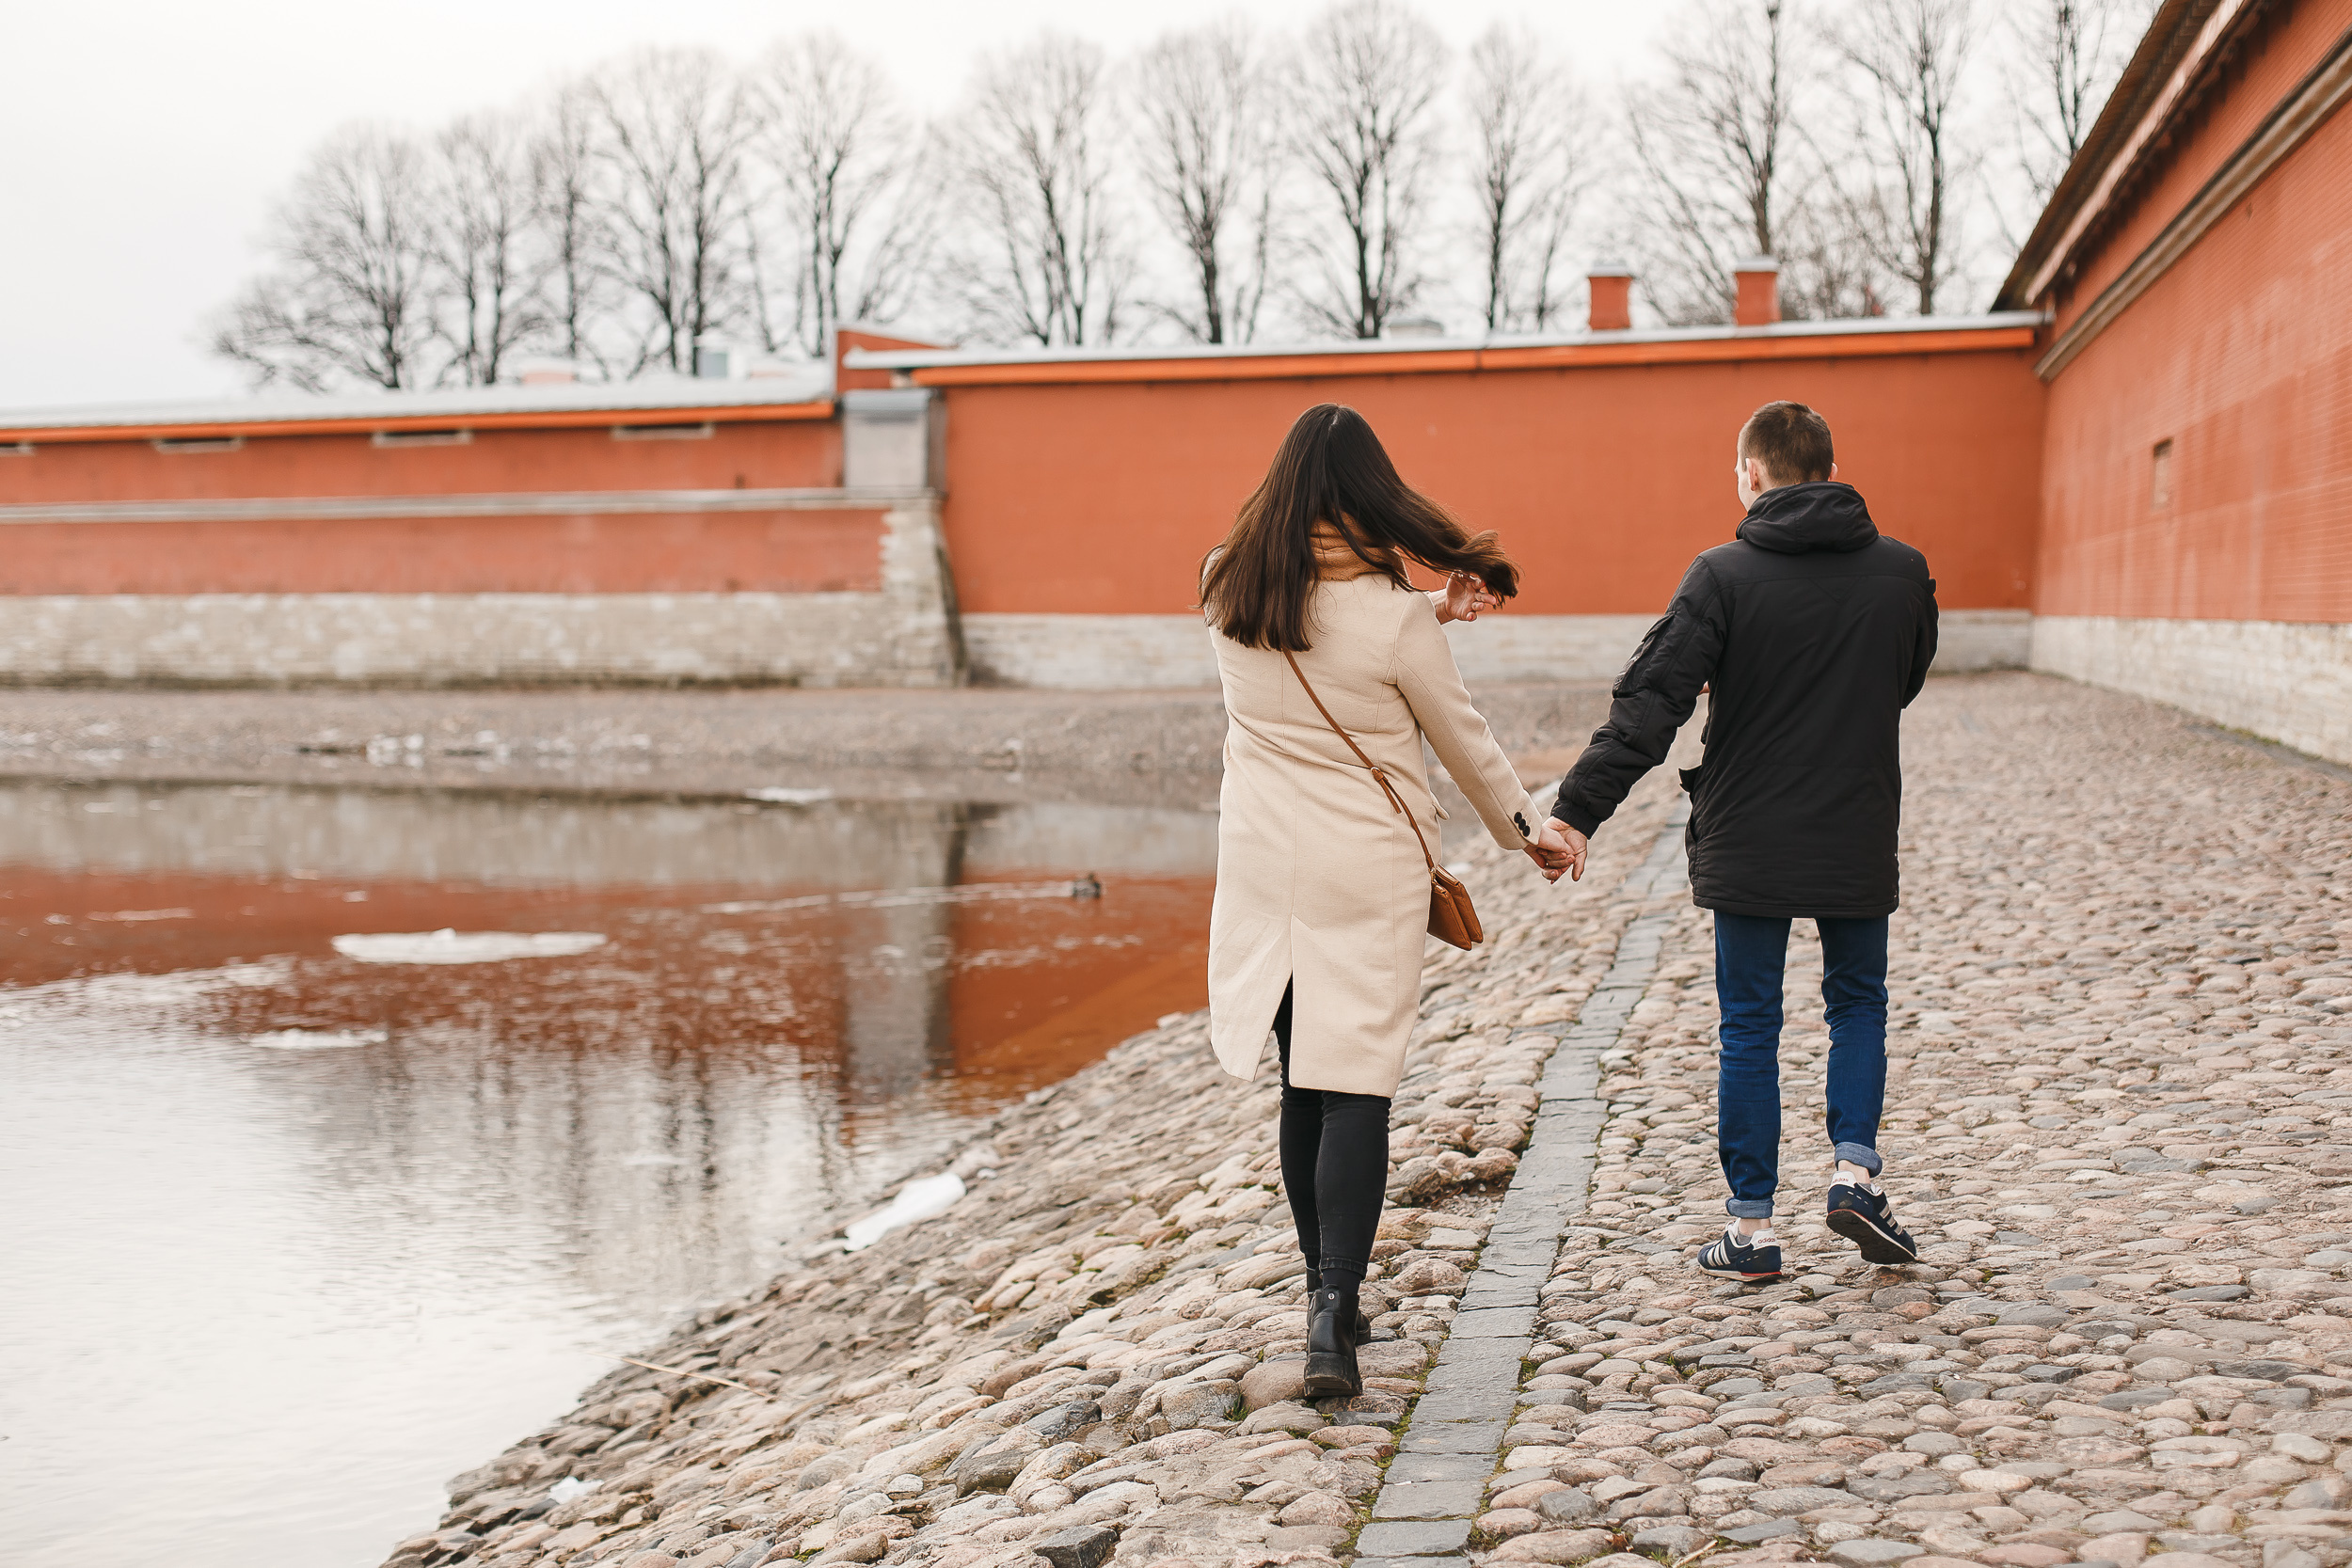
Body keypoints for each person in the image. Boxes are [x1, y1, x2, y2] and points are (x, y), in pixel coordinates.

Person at [1202, 404, 1577, 1394]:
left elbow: (1317, 626)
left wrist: (1424, 610)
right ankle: (1337, 1303)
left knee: (1302, 1080)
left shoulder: (1224, 581)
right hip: (1360, 866)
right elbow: (1459, 733)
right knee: (1355, 1076)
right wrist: (1525, 826)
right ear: (1374, 495)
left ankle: (1325, 1305)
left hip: (1260, 864)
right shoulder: (1395, 617)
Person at [1539, 401, 1938, 1281]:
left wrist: (1575, 813)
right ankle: (1853, 1175)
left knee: (1750, 1026)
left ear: (1752, 476)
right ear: (1832, 473)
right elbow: (1902, 681)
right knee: (1858, 1003)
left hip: (1748, 829)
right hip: (1855, 822)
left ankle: (1752, 1232)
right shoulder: (1905, 573)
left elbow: (1651, 705)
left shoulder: (1719, 575)